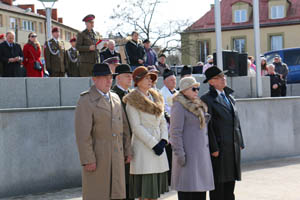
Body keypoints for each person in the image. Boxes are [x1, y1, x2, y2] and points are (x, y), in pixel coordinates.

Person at [75, 63, 131, 200]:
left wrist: (127, 150)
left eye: (110, 77)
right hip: (99, 157)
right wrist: (88, 159)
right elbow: (83, 135)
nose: (108, 81)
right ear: (94, 79)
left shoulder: (116, 98)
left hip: (117, 156)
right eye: (104, 77)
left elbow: (124, 127)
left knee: (116, 194)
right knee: (98, 194)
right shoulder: (86, 100)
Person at [123, 66, 169, 200]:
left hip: (158, 146)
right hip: (144, 148)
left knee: (154, 194)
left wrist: (163, 140)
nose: (150, 80)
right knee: (145, 193)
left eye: (151, 78)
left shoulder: (156, 97)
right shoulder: (132, 100)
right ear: (137, 81)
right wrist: (154, 144)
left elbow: (162, 121)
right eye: (146, 78)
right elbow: (136, 127)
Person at [201, 66, 245, 200]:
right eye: (219, 77)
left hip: (232, 146)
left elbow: (236, 120)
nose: (223, 79)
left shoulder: (229, 97)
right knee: (218, 186)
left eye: (223, 76)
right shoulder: (207, 99)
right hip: (219, 148)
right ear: (211, 82)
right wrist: (214, 148)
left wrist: (240, 141)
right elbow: (208, 127)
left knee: (230, 185)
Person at [170, 77, 214, 200]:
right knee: (188, 194)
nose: (197, 91)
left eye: (198, 88)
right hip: (188, 159)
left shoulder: (197, 105)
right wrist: (180, 155)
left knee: (200, 194)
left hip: (200, 158)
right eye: (193, 88)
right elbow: (175, 133)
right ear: (184, 90)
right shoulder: (179, 106)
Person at [111, 64, 133, 200]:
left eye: (131, 76)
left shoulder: (130, 93)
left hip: (132, 139)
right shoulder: (114, 95)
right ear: (118, 78)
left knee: (131, 181)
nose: (130, 78)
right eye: (127, 76)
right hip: (121, 141)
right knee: (122, 181)